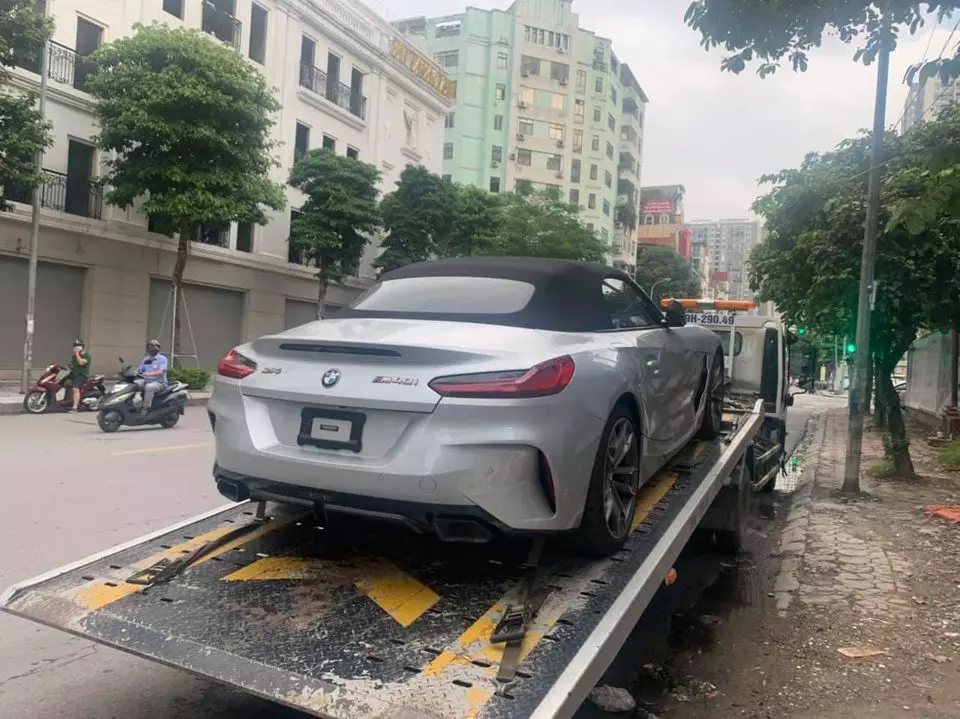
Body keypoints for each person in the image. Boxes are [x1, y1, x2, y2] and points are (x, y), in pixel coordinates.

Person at [135, 340, 168, 415]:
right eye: (149, 346)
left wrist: (149, 374)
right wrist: (135, 372)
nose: (151, 348)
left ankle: (145, 409)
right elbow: (140, 369)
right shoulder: (146, 359)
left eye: (153, 346)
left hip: (160, 383)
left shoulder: (162, 359)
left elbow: (161, 372)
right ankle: (134, 405)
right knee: (134, 384)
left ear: (158, 348)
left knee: (149, 387)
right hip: (146, 381)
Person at [68, 340, 91, 412]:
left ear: (82, 347)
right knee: (60, 384)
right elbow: (73, 365)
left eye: (78, 346)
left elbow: (81, 363)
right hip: (73, 374)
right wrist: (70, 366)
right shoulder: (74, 356)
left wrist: (77, 353)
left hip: (81, 375)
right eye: (75, 346)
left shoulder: (86, 355)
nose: (76, 347)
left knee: (75, 389)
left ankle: (75, 407)